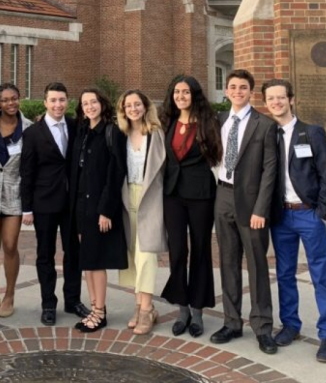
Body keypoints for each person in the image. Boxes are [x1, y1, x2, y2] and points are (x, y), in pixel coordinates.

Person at [263, 78, 326, 364]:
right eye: (271, 98)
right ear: (266, 103)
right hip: (281, 216)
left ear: (291, 100)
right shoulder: (268, 134)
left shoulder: (312, 133)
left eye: (281, 97)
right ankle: (291, 325)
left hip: (308, 214)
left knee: (320, 276)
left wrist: (322, 212)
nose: (276, 102)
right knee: (284, 274)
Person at [210, 69, 279, 354]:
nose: (237, 91)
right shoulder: (220, 121)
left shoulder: (264, 124)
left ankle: (262, 327)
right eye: (232, 87)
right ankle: (232, 322)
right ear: (226, 91)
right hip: (223, 195)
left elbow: (270, 169)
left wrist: (261, 208)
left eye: (243, 87)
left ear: (250, 92)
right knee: (227, 262)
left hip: (252, 204)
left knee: (257, 265)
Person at [21, 82, 89, 326]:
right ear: (45, 103)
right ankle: (48, 303)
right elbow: (26, 172)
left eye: (62, 100)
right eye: (53, 100)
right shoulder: (32, 133)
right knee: (45, 254)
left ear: (67, 101)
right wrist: (26, 208)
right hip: (44, 202)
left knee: (74, 253)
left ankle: (73, 300)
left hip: (71, 203)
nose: (58, 104)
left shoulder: (76, 126)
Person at [159, 75, 221, 338]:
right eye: (176, 92)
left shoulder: (209, 122)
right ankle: (182, 308)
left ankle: (197, 311)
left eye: (185, 92)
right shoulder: (167, 121)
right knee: (177, 252)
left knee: (200, 250)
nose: (180, 96)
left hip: (201, 194)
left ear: (195, 95)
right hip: (172, 194)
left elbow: (217, 156)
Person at [69, 87, 128, 332]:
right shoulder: (82, 132)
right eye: (85, 103)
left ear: (102, 104)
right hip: (81, 206)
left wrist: (106, 210)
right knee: (87, 261)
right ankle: (93, 306)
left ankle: (100, 312)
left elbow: (115, 174)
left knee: (96, 260)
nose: (89, 106)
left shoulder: (111, 133)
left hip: (98, 207)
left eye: (93, 102)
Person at [117, 89, 167, 336]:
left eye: (137, 104)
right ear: (123, 110)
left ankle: (146, 309)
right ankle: (140, 306)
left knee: (146, 253)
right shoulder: (121, 134)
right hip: (127, 198)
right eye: (129, 105)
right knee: (132, 256)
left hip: (151, 198)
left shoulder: (156, 134)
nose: (133, 109)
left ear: (146, 107)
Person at [0, 83, 32, 319]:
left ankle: (10, 294)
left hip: (15, 194)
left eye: (15, 98)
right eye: (5, 100)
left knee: (10, 245)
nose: (11, 103)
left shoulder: (30, 128)